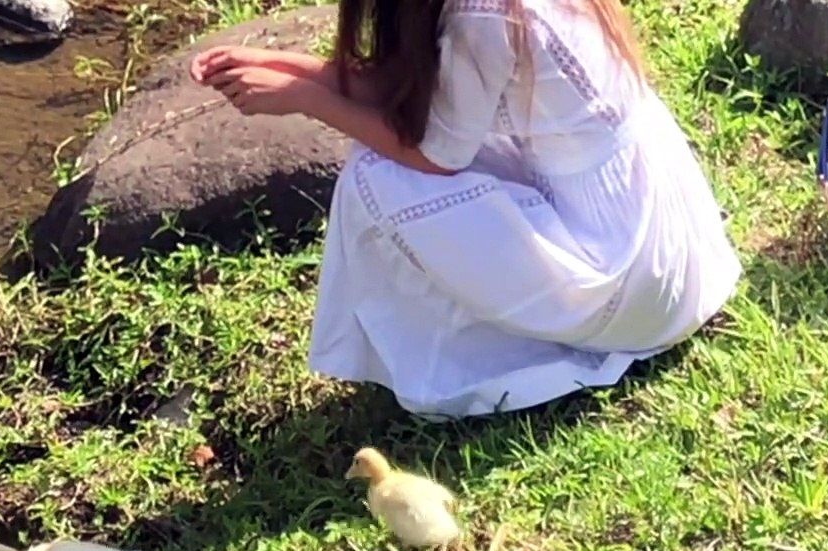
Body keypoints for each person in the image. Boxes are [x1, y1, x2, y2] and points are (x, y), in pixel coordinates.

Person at [189, 0, 741, 419]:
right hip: (657, 236)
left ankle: (459, 358)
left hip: (631, 271)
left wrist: (308, 100)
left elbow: (434, 155)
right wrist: (286, 65)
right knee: (412, 153)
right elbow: (416, 92)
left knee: (380, 178)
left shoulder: (486, 14)